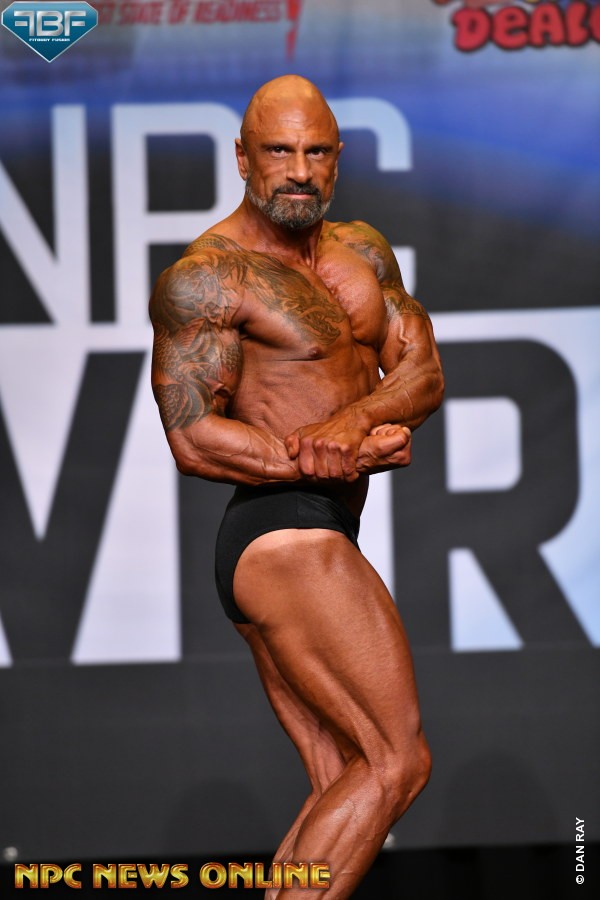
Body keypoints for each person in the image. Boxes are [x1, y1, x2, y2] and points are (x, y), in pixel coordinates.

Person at [150, 75, 444, 899]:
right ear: (243, 158)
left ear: (338, 159)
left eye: (316, 152)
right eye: (279, 151)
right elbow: (192, 436)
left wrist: (352, 426)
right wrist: (319, 458)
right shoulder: (208, 276)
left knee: (343, 776)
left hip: (311, 528)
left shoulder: (364, 254)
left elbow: (422, 371)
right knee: (397, 760)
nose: (299, 170)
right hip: (281, 533)